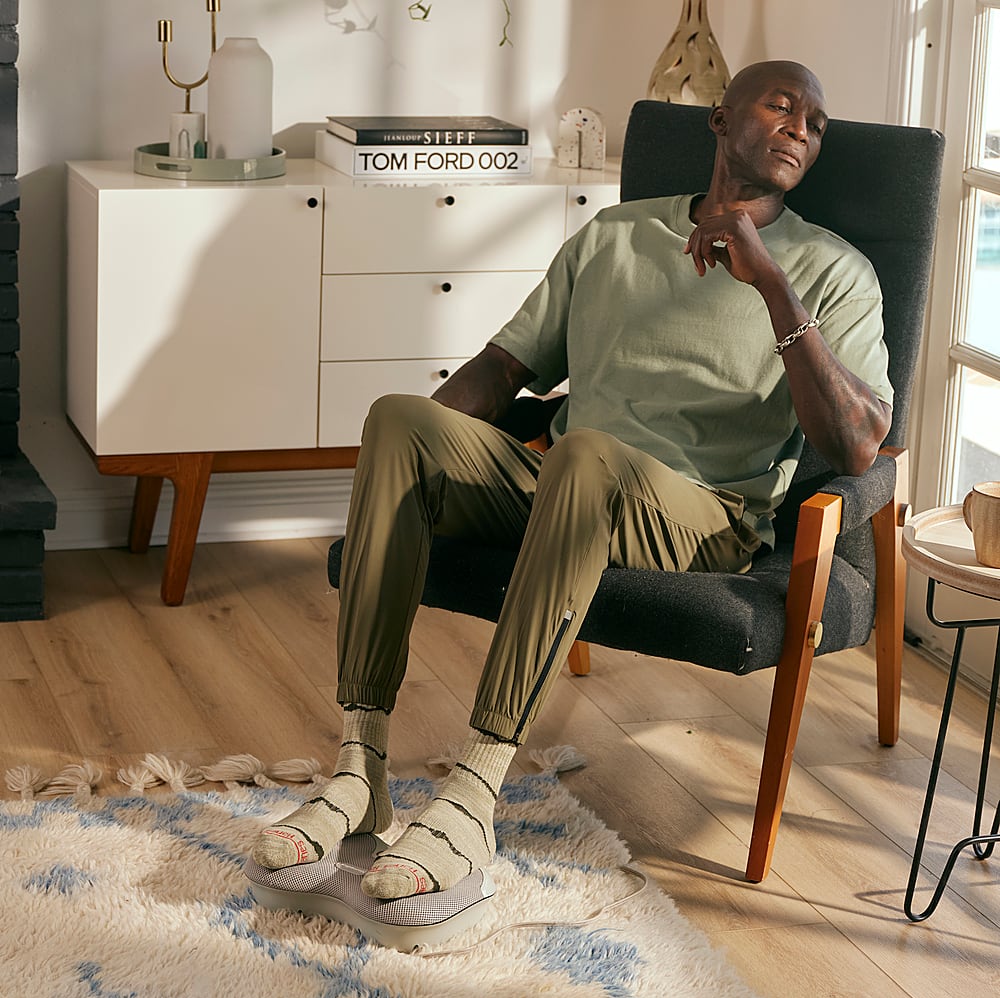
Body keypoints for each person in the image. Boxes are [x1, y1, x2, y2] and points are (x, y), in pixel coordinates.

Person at [252, 60, 893, 899]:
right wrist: (426, 461)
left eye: (816, 123)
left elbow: (856, 446)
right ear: (719, 118)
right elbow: (503, 368)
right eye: (782, 106)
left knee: (585, 455)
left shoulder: (834, 271)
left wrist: (771, 283)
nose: (801, 128)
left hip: (704, 516)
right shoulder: (613, 236)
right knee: (400, 419)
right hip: (564, 486)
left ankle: (473, 792)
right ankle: (358, 768)